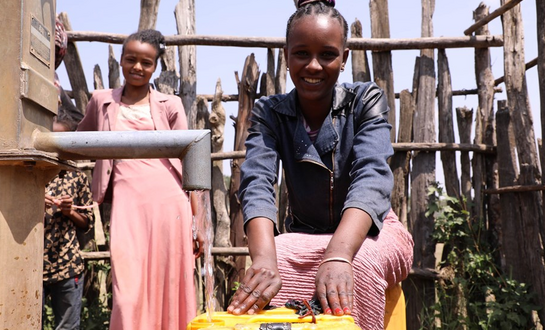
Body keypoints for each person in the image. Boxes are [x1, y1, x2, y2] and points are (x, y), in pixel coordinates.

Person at [229, 1, 414, 329]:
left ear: (344, 58)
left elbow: (371, 176)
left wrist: (340, 254)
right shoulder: (269, 113)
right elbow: (257, 182)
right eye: (301, 53)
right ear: (286, 56)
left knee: (361, 264)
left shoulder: (365, 101)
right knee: (276, 262)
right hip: (304, 234)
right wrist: (264, 259)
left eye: (327, 54)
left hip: (374, 231)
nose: (313, 66)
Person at [77, 29, 204, 330]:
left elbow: (190, 161)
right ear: (120, 60)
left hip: (169, 202)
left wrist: (197, 218)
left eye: (146, 62)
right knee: (126, 292)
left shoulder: (170, 105)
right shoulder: (101, 101)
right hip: (127, 204)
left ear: (155, 67)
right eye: (130, 59)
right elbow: (76, 138)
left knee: (171, 281)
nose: (137, 67)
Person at [43, 112, 95, 330]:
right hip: (32, 265)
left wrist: (70, 212)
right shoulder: (31, 173)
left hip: (67, 265)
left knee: (67, 327)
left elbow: (87, 223)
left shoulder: (77, 176)